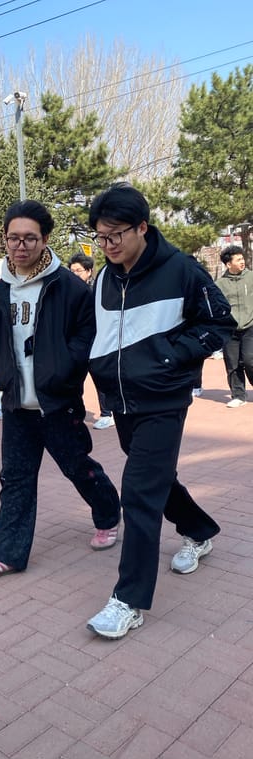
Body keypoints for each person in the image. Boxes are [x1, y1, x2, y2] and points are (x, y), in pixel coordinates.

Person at [85, 182, 236, 639]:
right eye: (101, 237)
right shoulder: (105, 279)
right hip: (122, 401)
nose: (108, 245)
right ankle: (200, 528)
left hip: (165, 399)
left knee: (139, 492)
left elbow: (220, 322)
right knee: (155, 479)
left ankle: (128, 601)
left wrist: (172, 356)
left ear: (142, 228)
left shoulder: (182, 269)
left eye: (116, 235)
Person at [0, 199, 121, 583]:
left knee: (79, 468)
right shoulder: (0, 291)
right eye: (13, 239)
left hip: (59, 403)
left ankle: (108, 514)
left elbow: (87, 335)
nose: (20, 247)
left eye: (29, 239)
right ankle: (5, 554)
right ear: (4, 240)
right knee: (15, 479)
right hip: (17, 404)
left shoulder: (69, 288)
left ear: (45, 239)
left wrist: (62, 370)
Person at [68, 252, 115, 430]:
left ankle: (107, 414)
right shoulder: (68, 292)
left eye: (78, 271)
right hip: (76, 344)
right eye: (71, 271)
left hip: (96, 342)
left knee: (99, 379)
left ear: (89, 271)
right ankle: (75, 413)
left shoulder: (97, 290)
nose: (74, 274)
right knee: (74, 381)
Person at [215, 245, 253, 407]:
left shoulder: (251, 277)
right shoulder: (219, 284)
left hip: (250, 326)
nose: (242, 262)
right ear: (228, 264)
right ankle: (238, 395)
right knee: (232, 363)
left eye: (242, 258)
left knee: (250, 359)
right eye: (238, 260)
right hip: (229, 330)